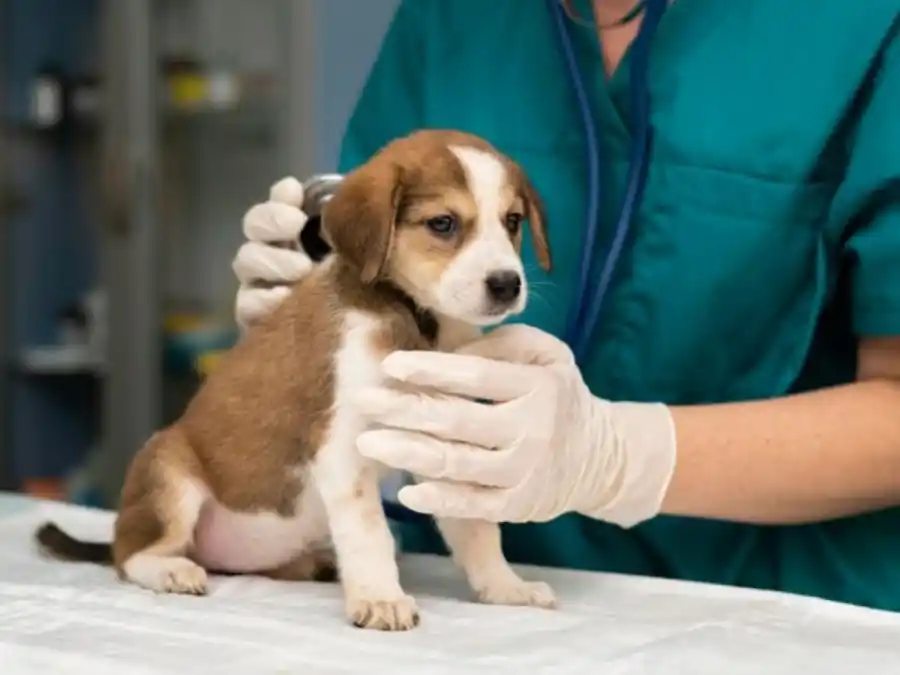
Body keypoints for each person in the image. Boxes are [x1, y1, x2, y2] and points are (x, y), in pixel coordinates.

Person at [231, 0, 900, 612]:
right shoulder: (451, 18)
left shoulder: (861, 24)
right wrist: (315, 315)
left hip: (781, 611)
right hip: (469, 600)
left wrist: (620, 455)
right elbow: (384, 256)